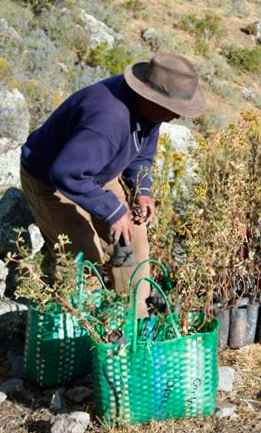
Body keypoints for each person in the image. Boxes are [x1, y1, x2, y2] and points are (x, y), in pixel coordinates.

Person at [20, 53, 205, 316]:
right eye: (174, 109)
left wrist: (142, 189)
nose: (176, 116)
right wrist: (113, 211)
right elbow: (66, 174)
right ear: (151, 98)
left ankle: (134, 325)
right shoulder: (108, 118)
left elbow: (141, 153)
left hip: (98, 175)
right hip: (51, 182)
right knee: (84, 260)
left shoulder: (149, 112)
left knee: (133, 245)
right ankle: (87, 335)